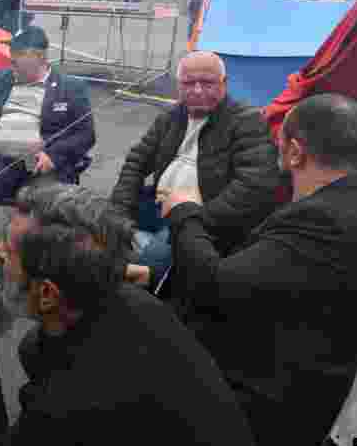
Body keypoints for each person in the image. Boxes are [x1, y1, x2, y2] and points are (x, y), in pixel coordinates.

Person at [159, 93, 357, 446]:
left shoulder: (323, 219)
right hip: (297, 367)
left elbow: (213, 287)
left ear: (295, 152)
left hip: (260, 405)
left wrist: (186, 212)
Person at [0, 182, 258, 446]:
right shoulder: (133, 300)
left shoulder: (70, 405)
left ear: (47, 293)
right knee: (33, 345)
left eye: (8, 249)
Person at [111, 51, 282, 288]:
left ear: (224, 84)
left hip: (202, 218)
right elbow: (137, 161)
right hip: (159, 204)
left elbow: (255, 186)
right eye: (189, 83)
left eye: (207, 83)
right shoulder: (172, 117)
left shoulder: (247, 121)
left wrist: (193, 218)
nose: (198, 90)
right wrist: (119, 210)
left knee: (150, 268)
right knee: (93, 226)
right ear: (179, 86)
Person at [0, 26, 94, 255]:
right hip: (3, 161)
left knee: (42, 210)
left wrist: (54, 155)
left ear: (39, 56)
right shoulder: (5, 78)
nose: (11, 60)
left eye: (18, 55)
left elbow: (85, 134)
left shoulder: (71, 87)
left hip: (43, 167)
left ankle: (32, 269)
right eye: (12, 54)